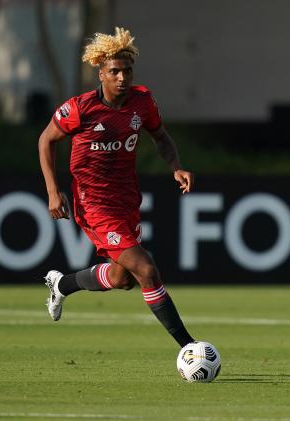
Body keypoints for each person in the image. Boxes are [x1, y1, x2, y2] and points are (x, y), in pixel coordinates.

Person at [37, 27, 195, 348]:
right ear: (101, 74)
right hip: (93, 203)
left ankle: (62, 285)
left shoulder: (142, 102)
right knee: (147, 269)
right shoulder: (80, 108)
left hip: (126, 200)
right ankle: (190, 348)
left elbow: (161, 137)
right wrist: (54, 191)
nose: (122, 78)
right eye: (115, 72)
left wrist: (176, 167)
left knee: (123, 278)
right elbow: (46, 140)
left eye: (127, 71)